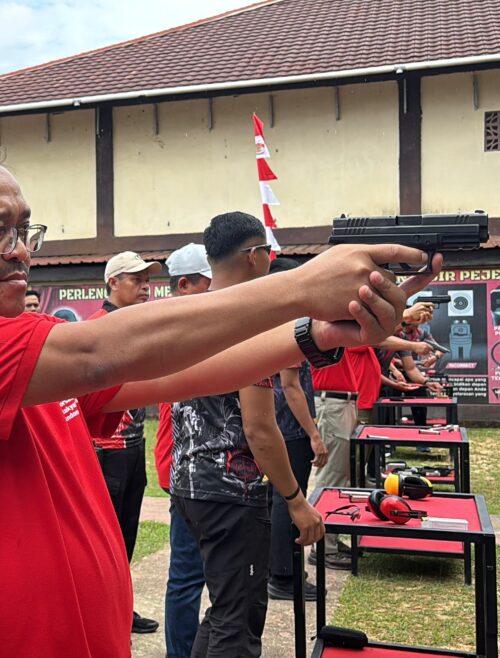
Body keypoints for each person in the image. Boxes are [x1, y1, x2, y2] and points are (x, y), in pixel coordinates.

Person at [0, 144, 436, 658]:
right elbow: (96, 354)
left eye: (25, 230)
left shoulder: (26, 358)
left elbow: (185, 372)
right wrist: (299, 287)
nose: (21, 249)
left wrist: (315, 334)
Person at [171, 212, 327, 657]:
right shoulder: (245, 322)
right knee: (238, 624)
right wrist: (296, 500)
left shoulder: (190, 310)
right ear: (255, 256)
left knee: (224, 609)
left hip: (190, 484)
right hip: (230, 491)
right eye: (269, 252)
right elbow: (260, 428)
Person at [87, 251, 163, 634]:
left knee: (127, 535)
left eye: (147, 279)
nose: (145, 286)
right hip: (104, 450)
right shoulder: (98, 328)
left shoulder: (137, 326)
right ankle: (102, 611)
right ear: (113, 283)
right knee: (106, 540)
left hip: (133, 446)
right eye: (135, 279)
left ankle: (121, 607)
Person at [158, 242, 212, 658]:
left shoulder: (192, 321)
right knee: (188, 576)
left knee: (197, 575)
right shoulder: (177, 326)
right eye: (209, 284)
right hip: (188, 467)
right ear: (185, 284)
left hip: (202, 468)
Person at [266, 257, 329, 602]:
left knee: (280, 499)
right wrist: (314, 433)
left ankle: (280, 571)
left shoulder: (276, 319)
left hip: (283, 422)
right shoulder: (285, 322)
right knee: (289, 499)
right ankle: (283, 575)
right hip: (289, 425)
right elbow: (291, 386)